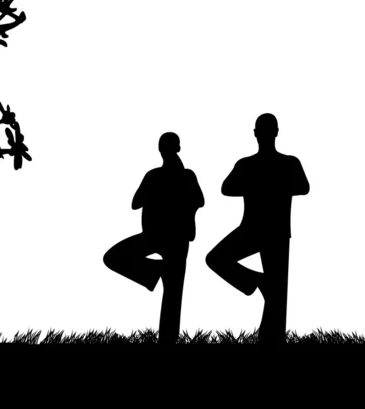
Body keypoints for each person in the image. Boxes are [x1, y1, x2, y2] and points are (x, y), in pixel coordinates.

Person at [206, 113, 309, 345]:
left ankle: (271, 340)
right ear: (276, 132)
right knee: (216, 259)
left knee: (277, 295)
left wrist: (257, 183)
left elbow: (304, 187)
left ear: (256, 133)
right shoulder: (251, 164)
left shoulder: (285, 162)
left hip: (272, 231)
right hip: (256, 229)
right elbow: (226, 188)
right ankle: (258, 282)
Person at [103, 132, 204, 345]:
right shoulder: (156, 176)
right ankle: (155, 271)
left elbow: (199, 201)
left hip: (174, 237)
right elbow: (136, 202)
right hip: (155, 235)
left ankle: (167, 342)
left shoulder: (184, 176)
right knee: (114, 257)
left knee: (173, 293)